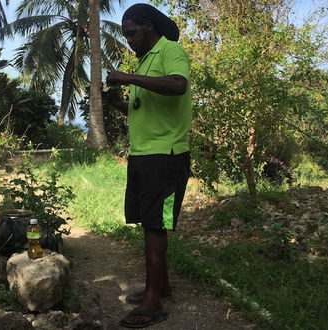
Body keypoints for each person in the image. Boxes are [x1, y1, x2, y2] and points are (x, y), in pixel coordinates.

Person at [106, 3, 192, 328]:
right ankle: (161, 287)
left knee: (156, 224)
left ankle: (154, 304)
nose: (129, 40)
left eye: (132, 33)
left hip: (166, 154)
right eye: (125, 35)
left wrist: (127, 76)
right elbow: (144, 106)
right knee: (149, 222)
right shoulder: (145, 61)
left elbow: (178, 85)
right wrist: (119, 98)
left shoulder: (170, 51)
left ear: (148, 26)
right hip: (143, 153)